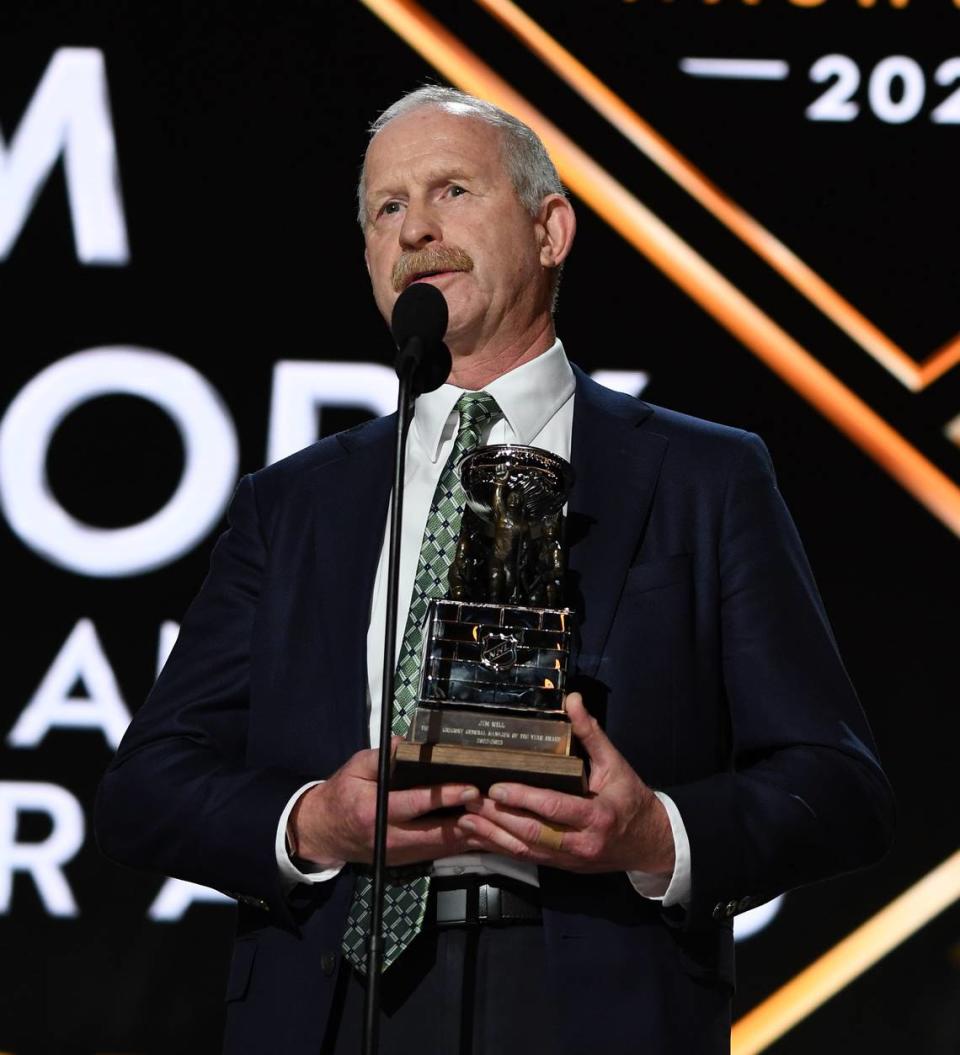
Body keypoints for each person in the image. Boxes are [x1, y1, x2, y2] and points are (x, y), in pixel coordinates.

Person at [95, 87, 895, 1055]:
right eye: (387, 208)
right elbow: (147, 786)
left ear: (551, 228)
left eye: (452, 190)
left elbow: (838, 786)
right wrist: (318, 821)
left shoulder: (704, 477)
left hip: (584, 1000)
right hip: (330, 1004)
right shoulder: (295, 503)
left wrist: (655, 834)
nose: (417, 229)